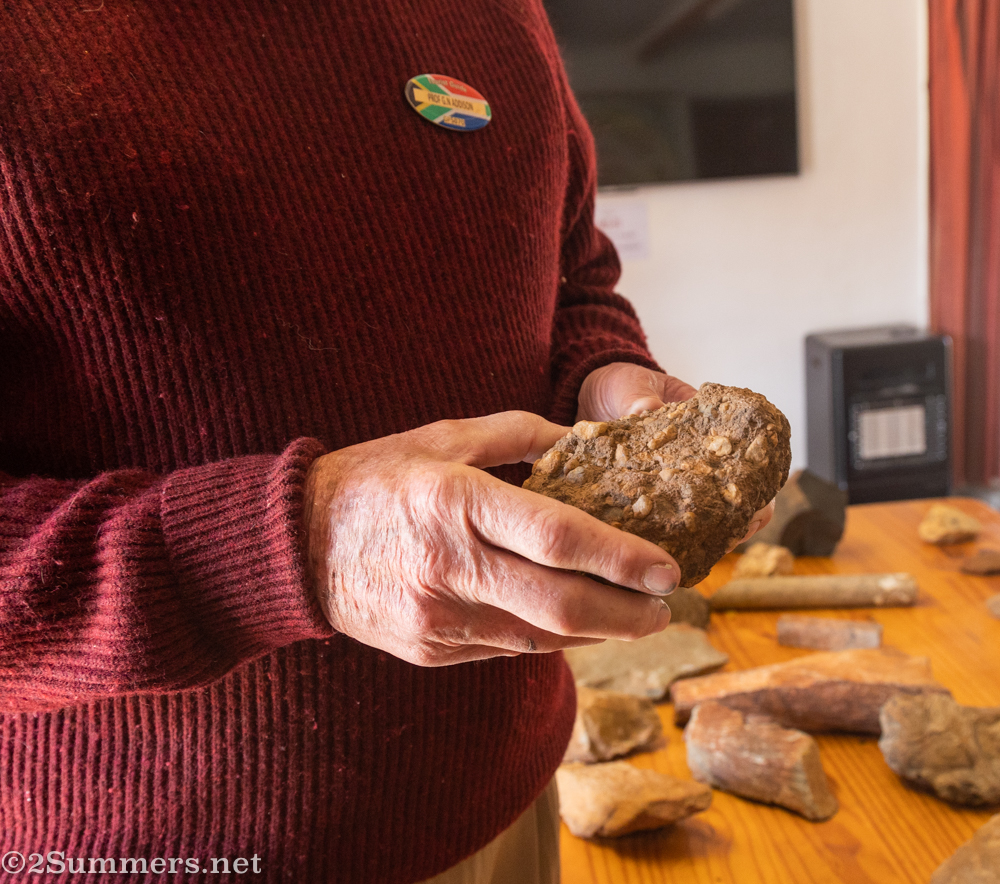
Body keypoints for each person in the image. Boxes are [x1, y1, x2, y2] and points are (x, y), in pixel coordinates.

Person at [0, 3, 769, 882]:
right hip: (153, 854)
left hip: (505, 804)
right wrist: (302, 545)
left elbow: (569, 269)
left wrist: (599, 377)